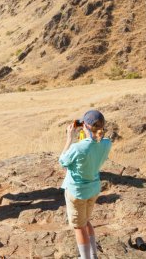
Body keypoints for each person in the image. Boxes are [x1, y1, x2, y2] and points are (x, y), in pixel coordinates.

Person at [59, 109, 112, 259]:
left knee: (79, 227)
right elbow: (93, 144)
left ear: (86, 126)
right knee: (86, 221)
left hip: (77, 192)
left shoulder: (78, 147)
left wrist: (69, 138)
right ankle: (93, 255)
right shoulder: (107, 144)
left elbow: (62, 161)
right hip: (93, 189)